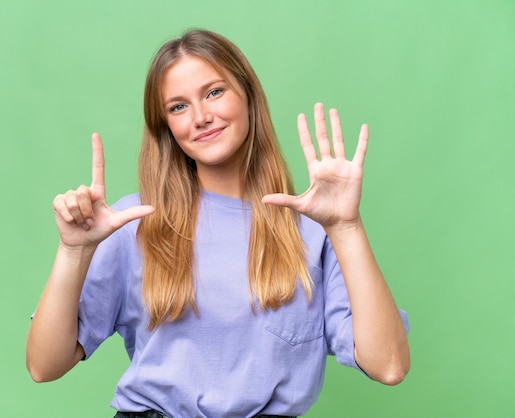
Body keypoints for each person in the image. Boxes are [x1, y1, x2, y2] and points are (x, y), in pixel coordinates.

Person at [26, 28, 410, 418]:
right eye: (178, 107)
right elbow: (44, 366)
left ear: (248, 96)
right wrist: (73, 251)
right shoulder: (133, 222)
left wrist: (346, 227)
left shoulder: (314, 229)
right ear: (167, 129)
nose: (201, 117)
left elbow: (389, 366)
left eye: (214, 92)